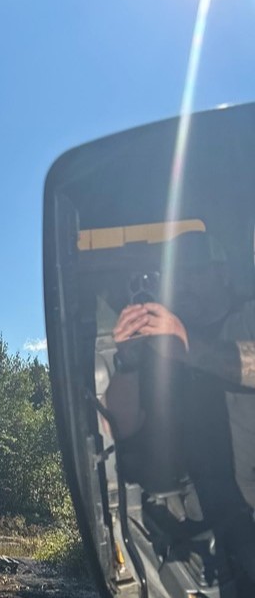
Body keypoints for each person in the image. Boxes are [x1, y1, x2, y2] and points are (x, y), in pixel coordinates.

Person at [109, 231, 255, 584]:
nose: (184, 284)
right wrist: (129, 361)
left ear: (222, 272)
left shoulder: (246, 317)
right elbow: (123, 427)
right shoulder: (160, 346)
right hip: (208, 537)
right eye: (175, 277)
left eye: (195, 271)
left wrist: (188, 346)